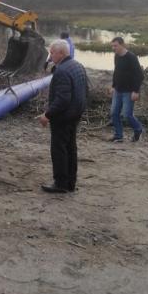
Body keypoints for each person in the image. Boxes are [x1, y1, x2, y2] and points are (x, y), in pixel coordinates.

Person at [39, 40, 88, 193]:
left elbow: (62, 99)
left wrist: (47, 114)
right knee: (70, 148)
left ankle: (60, 184)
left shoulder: (61, 71)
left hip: (63, 117)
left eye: (52, 52)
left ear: (61, 53)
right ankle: (70, 183)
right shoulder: (78, 65)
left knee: (59, 149)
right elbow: (86, 91)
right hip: (75, 114)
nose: (50, 55)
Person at [110, 36, 144, 143]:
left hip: (129, 91)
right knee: (114, 113)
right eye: (112, 46)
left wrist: (136, 91)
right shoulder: (116, 56)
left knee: (127, 115)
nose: (113, 48)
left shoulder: (131, 57)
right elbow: (116, 72)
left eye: (115, 46)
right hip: (118, 90)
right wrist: (113, 86)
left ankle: (138, 129)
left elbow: (139, 75)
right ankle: (119, 136)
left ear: (122, 45)